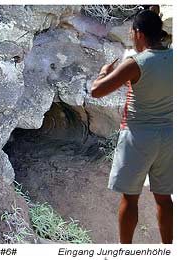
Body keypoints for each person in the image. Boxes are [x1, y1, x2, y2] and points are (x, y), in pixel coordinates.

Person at [91, 10, 173, 244]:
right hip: (169, 136)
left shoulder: (135, 63)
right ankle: (169, 250)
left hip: (138, 137)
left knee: (131, 197)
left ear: (138, 33)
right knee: (164, 198)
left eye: (132, 34)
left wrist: (103, 73)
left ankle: (125, 250)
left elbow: (97, 91)